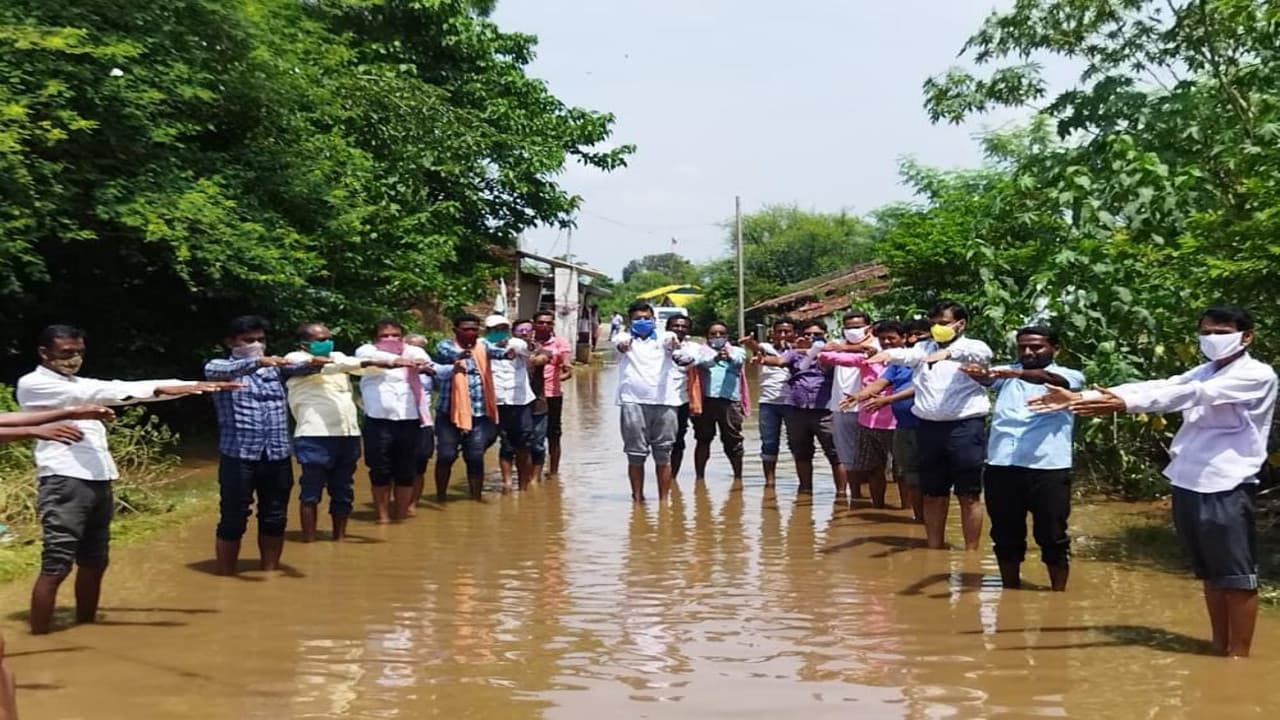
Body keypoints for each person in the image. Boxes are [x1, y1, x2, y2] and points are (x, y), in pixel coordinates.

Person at [1031, 306, 1276, 657]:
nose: (1212, 339)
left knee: (1236, 577)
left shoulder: (1256, 375)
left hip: (1227, 482)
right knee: (1211, 574)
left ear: (1246, 337)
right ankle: (1218, 648)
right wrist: (1084, 397)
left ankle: (1238, 658)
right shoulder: (1206, 370)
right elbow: (1166, 385)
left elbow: (1193, 394)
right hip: (1189, 479)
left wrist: (1123, 403)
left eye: (1221, 333)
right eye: (1206, 332)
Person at [17, 324, 233, 633]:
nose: (74, 358)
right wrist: (166, 388)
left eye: (79, 352)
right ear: (44, 352)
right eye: (66, 352)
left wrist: (184, 386)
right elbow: (107, 391)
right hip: (64, 480)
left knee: (95, 561)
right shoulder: (35, 384)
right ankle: (39, 636)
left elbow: (111, 389)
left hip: (99, 479)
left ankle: (86, 629)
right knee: (57, 564)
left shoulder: (77, 382)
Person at [963, 326, 1084, 591]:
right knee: (1005, 535)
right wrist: (975, 372)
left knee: (1052, 535)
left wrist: (1014, 372)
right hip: (1001, 465)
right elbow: (987, 378)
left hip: (1048, 467)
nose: (1028, 352)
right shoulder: (1006, 374)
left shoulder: (1069, 375)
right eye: (1022, 347)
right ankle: (1010, 593)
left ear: (1055, 349)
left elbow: (1052, 380)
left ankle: (1058, 597)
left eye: (1036, 347)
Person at [205, 315, 326, 576]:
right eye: (249, 340)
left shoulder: (276, 369)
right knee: (233, 518)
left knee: (275, 517)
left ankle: (270, 574)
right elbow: (221, 372)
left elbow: (302, 367)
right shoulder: (219, 367)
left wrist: (317, 361)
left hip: (277, 454)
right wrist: (258, 361)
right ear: (230, 342)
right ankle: (225, 576)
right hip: (239, 456)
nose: (257, 345)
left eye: (260, 339)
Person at [872, 300, 993, 550]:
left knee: (968, 494)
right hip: (928, 428)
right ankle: (934, 548)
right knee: (933, 493)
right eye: (934, 323)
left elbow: (983, 356)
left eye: (944, 323)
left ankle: (971, 553)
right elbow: (907, 355)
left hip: (964, 428)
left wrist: (949, 354)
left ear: (961, 324)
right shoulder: (923, 347)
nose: (938, 328)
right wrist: (888, 354)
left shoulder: (974, 346)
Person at [285, 323, 413, 540]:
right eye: (320, 340)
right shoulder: (295, 358)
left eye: (328, 338)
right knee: (311, 492)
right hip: (314, 435)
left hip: (347, 434)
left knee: (343, 492)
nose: (327, 342)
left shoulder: (337, 356)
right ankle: (309, 539)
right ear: (304, 343)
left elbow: (358, 367)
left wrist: (391, 363)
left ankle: (340, 539)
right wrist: (374, 362)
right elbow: (332, 366)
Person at [354, 319, 437, 522]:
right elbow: (372, 358)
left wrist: (420, 362)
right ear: (375, 338)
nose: (390, 339)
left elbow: (423, 359)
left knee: (406, 471)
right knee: (380, 471)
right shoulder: (366, 351)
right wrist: (396, 361)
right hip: (378, 421)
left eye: (395, 335)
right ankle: (382, 517)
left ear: (403, 337)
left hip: (409, 420)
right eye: (385, 335)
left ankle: (401, 516)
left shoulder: (412, 351)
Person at [615, 302, 695, 501]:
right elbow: (620, 344)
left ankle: (663, 503)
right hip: (632, 402)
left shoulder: (665, 337)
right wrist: (624, 345)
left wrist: (675, 348)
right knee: (635, 454)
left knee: (663, 453)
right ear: (630, 321)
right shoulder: (623, 337)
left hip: (665, 402)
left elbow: (674, 346)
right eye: (638, 318)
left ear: (653, 319)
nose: (642, 321)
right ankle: (637, 500)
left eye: (646, 318)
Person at [823, 320, 905, 509]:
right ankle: (878, 508)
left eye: (891, 338)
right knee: (873, 468)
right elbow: (827, 356)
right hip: (868, 421)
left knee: (901, 471)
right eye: (882, 339)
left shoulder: (908, 360)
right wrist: (854, 350)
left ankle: (907, 512)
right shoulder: (867, 359)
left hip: (898, 422)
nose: (886, 342)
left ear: (903, 338)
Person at [759, 320, 842, 495]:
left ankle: (841, 495)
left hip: (824, 411)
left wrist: (815, 351)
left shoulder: (833, 353)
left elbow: (832, 363)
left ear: (825, 335)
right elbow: (779, 360)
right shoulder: (794, 354)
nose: (812, 337)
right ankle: (805, 491)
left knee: (835, 453)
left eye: (817, 335)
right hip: (797, 410)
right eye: (808, 334)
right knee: (801, 453)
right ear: (801, 336)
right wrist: (763, 360)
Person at [433, 313, 510, 500]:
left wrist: (509, 353)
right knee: (446, 455)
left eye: (474, 329)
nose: (471, 333)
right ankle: (441, 497)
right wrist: (461, 355)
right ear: (455, 330)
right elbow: (448, 354)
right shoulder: (445, 345)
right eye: (466, 329)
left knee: (475, 456)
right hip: (449, 413)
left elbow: (498, 352)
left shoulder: (483, 347)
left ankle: (475, 499)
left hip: (479, 413)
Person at [863, 319, 930, 521]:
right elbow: (879, 383)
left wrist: (888, 399)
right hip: (904, 426)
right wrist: (858, 396)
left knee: (927, 477)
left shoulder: (929, 359)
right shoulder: (896, 363)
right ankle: (917, 520)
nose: (915, 339)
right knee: (910, 476)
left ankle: (926, 520)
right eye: (914, 334)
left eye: (920, 335)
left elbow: (918, 387)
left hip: (926, 426)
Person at [488, 316, 549, 492]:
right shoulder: (483, 346)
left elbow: (528, 350)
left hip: (520, 402)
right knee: (505, 444)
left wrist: (526, 346)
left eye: (502, 328)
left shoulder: (516, 343)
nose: (499, 332)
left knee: (524, 444)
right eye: (495, 329)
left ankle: (524, 486)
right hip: (497, 401)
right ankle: (507, 483)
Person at [739, 317, 796, 487]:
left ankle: (802, 481)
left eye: (787, 332)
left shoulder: (799, 350)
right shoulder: (766, 348)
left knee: (796, 443)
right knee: (769, 443)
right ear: (773, 334)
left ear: (794, 333)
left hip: (792, 403)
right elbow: (758, 350)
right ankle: (769, 483)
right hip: (768, 403)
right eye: (779, 331)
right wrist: (750, 343)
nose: (783, 335)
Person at [690, 321, 748, 482]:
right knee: (703, 439)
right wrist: (715, 358)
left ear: (727, 336)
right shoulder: (700, 352)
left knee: (733, 440)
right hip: (706, 401)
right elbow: (701, 363)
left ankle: (738, 478)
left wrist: (728, 356)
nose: (717, 336)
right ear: (707, 336)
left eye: (721, 334)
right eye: (713, 334)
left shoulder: (737, 351)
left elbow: (739, 361)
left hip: (729, 402)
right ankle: (699, 478)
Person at [828, 312, 875, 498]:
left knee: (873, 459)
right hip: (840, 407)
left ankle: (875, 500)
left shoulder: (879, 343)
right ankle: (855, 498)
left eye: (857, 327)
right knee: (848, 458)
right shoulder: (837, 345)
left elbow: (872, 351)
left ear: (869, 328)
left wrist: (843, 348)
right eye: (848, 327)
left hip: (870, 408)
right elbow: (822, 354)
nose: (852, 331)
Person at [532, 310, 574, 478]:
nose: (545, 326)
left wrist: (557, 377)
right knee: (531, 434)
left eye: (549, 323)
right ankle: (532, 472)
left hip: (552, 395)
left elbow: (567, 370)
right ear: (534, 324)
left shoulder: (559, 343)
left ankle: (553, 473)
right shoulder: (527, 343)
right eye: (541, 322)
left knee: (553, 434)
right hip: (531, 395)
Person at [404, 334, 437, 506]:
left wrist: (429, 370)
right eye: (412, 346)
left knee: (420, 465)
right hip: (400, 421)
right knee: (396, 465)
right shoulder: (395, 369)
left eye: (420, 348)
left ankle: (413, 504)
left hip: (423, 422)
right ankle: (399, 502)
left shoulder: (430, 370)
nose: (416, 351)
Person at [665, 314, 698, 480]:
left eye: (683, 326)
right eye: (675, 326)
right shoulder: (657, 345)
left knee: (678, 441)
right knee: (660, 443)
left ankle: (672, 480)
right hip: (659, 401)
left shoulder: (693, 348)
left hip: (681, 401)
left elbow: (699, 360)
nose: (679, 329)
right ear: (667, 328)